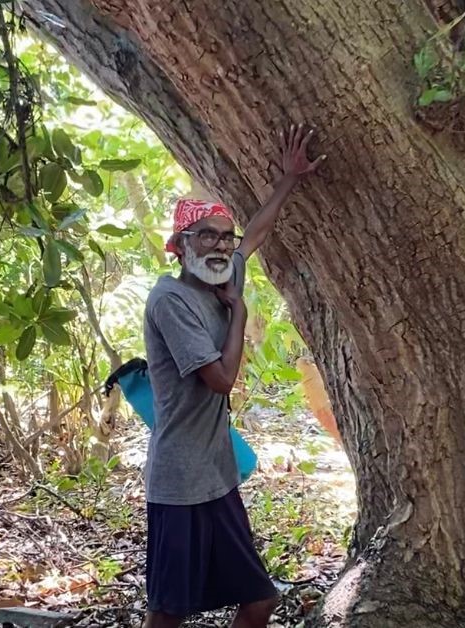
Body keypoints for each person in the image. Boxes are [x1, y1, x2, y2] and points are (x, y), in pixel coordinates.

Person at [141, 125, 325, 628]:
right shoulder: (171, 300)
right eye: (208, 236)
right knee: (168, 614)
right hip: (179, 482)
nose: (222, 245)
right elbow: (220, 379)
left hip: (217, 478)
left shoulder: (221, 275)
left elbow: (259, 232)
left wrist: (289, 179)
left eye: (226, 236)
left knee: (258, 600)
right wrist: (239, 316)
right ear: (181, 246)